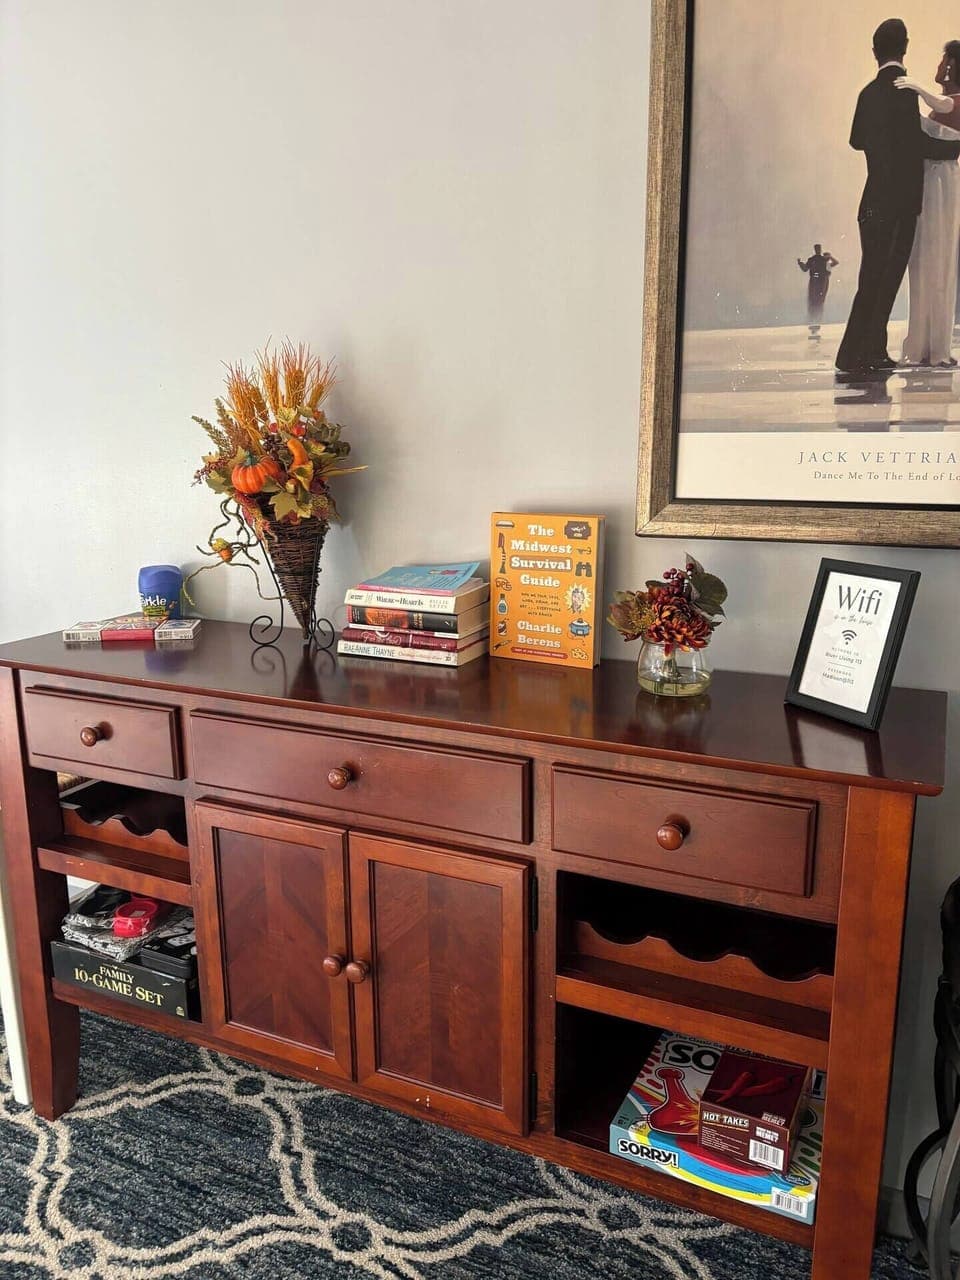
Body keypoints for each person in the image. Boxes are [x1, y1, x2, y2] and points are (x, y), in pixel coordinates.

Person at [835, 20, 960, 375]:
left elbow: (856, 140)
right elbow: (918, 143)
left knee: (872, 277)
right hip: (900, 204)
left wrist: (884, 145)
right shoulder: (904, 92)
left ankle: (867, 350)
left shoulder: (866, 93)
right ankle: (855, 354)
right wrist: (955, 148)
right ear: (904, 47)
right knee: (884, 280)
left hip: (872, 200)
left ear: (875, 52)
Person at [895, 42, 960, 366]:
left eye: (944, 58)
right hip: (931, 182)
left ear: (952, 66)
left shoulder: (954, 102)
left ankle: (934, 347)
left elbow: (942, 105)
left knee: (936, 257)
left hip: (941, 184)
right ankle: (927, 344)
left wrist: (914, 87)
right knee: (927, 259)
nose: (940, 64)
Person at [797, 244, 839, 335]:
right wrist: (830, 257)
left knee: (814, 301)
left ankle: (814, 322)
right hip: (821, 282)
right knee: (818, 301)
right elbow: (835, 263)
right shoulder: (823, 260)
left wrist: (800, 263)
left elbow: (805, 269)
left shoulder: (813, 260)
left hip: (816, 282)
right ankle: (815, 322)